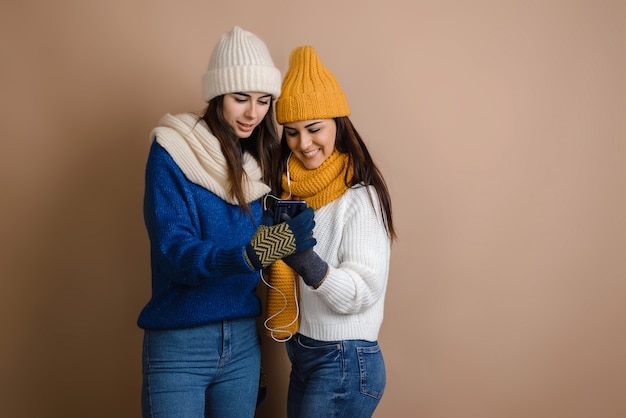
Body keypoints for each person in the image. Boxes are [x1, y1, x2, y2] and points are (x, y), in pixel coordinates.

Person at [137, 27, 316, 418]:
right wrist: (252, 253)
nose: (253, 113)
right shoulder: (173, 150)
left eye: (264, 101)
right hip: (179, 343)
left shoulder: (259, 163)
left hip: (242, 343)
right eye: (241, 99)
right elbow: (174, 251)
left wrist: (294, 230)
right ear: (218, 94)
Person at [265, 45, 396, 418]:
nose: (303, 144)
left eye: (314, 128)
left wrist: (304, 260)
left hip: (344, 359)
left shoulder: (360, 198)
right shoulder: (289, 193)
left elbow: (364, 291)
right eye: (291, 133)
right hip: (304, 353)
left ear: (338, 122)